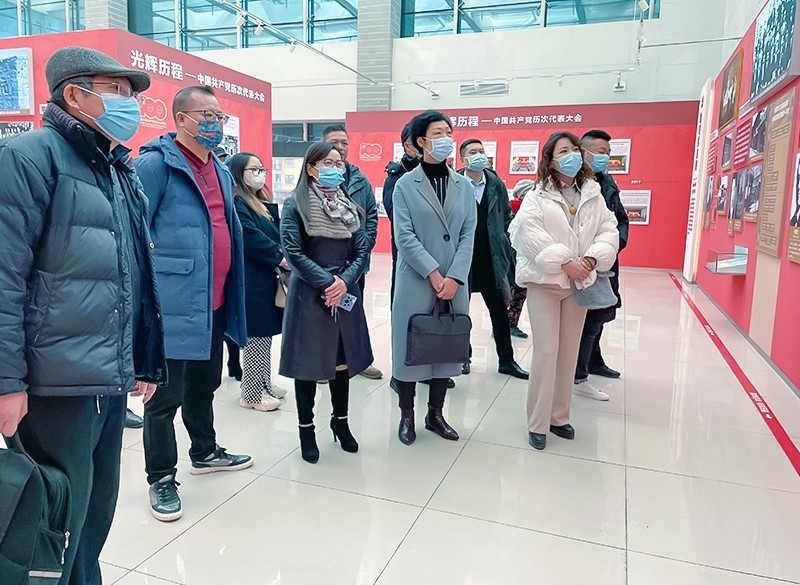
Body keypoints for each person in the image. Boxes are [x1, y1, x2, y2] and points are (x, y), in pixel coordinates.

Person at [0, 46, 166, 584]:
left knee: (94, 516)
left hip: (106, 380)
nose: (130, 103)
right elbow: (4, 278)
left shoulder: (117, 169)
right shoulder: (28, 158)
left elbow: (132, 274)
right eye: (117, 91)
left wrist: (143, 359)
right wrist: (7, 382)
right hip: (53, 384)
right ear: (74, 94)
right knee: (54, 523)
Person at [135, 85, 251, 522]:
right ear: (181, 119)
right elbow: (134, 232)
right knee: (164, 399)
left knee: (205, 385)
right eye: (207, 115)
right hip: (174, 306)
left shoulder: (218, 165)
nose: (215, 123)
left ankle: (204, 451)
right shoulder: (155, 165)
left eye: (219, 116)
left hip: (213, 301)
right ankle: (161, 478)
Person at [509, 131, 618, 451]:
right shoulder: (537, 195)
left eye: (574, 149)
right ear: (551, 160)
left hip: (579, 282)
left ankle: (559, 417)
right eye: (563, 151)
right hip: (546, 282)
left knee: (569, 352)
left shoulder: (593, 192)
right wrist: (566, 262)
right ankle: (538, 422)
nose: (571, 155)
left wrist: (591, 259)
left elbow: (608, 230)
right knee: (546, 352)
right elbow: (529, 235)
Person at [279, 142, 373, 464]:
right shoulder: (296, 205)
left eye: (339, 162)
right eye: (327, 163)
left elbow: (361, 251)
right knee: (308, 365)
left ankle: (340, 422)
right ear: (311, 168)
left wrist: (343, 282)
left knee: (342, 363)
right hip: (310, 295)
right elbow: (293, 251)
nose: (335, 167)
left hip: (344, 291)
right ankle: (306, 430)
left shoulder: (350, 206)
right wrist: (327, 282)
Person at [391, 110, 477, 446]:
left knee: (445, 346)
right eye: (437, 133)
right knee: (409, 348)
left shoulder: (464, 185)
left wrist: (454, 277)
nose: (446, 139)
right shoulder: (404, 185)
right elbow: (404, 236)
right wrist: (433, 272)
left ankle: (435, 415)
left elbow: (469, 234)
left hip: (454, 281)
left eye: (448, 132)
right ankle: (407, 416)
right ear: (421, 141)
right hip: (416, 279)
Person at [458, 139, 528, 380]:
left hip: (492, 258)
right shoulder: (454, 182)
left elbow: (507, 216)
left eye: (481, 151)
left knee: (499, 312)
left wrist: (506, 245)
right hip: (463, 259)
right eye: (473, 152)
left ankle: (507, 361)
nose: (479, 155)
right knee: (460, 312)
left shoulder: (495, 182)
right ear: (463, 159)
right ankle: (462, 357)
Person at [323, 124, 383, 380]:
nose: (340, 147)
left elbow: (371, 217)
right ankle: (324, 363)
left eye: (344, 143)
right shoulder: (313, 178)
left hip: (355, 264)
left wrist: (363, 249)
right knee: (325, 314)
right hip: (324, 265)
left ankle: (357, 360)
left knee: (353, 312)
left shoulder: (359, 179)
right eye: (333, 143)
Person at [574, 130, 630, 400]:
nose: (606, 157)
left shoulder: (607, 182)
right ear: (583, 152)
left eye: (608, 152)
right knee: (584, 320)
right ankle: (578, 375)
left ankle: (593, 362)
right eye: (600, 152)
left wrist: (613, 245)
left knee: (601, 314)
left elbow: (621, 221)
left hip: (605, 261)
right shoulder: (572, 183)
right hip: (579, 264)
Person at [230, 152, 287, 412]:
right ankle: (251, 393)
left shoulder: (258, 200)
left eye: (261, 168)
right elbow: (251, 238)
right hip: (252, 279)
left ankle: (264, 383)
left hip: (265, 277)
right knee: (256, 337)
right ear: (239, 172)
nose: (260, 173)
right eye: (253, 169)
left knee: (265, 335)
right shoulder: (238, 202)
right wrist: (279, 256)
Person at [383, 122, 421, 304]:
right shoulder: (396, 177)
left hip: (438, 249)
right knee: (403, 298)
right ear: (408, 145)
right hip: (405, 249)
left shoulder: (444, 176)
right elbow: (396, 216)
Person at [507, 179, 535, 339]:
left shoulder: (513, 207)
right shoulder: (519, 208)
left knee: (514, 292)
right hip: (515, 257)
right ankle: (509, 325)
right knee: (517, 292)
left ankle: (506, 325)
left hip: (515, 257)